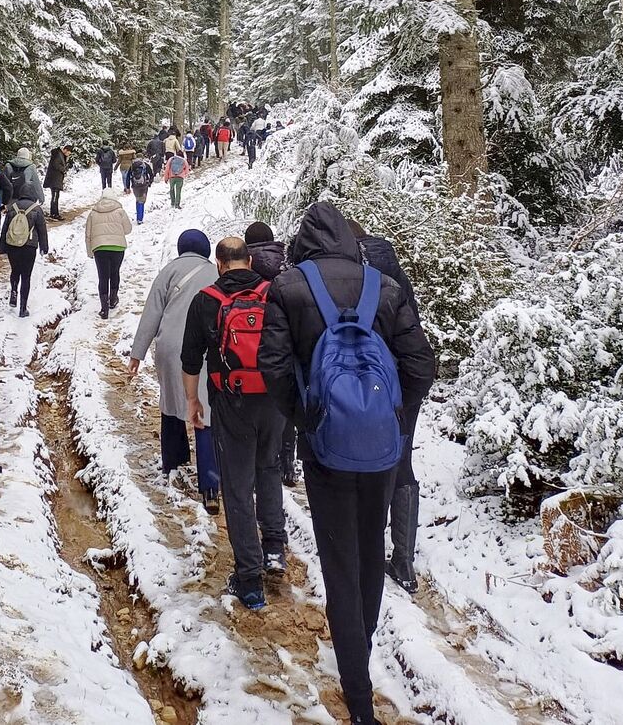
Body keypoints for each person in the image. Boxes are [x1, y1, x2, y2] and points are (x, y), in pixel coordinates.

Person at [258, 202, 435, 725]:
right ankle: (364, 640)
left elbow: (272, 366)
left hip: (325, 446)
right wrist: (395, 422)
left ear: (304, 244)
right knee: (369, 546)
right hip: (380, 447)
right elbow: (421, 364)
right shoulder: (385, 286)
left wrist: (305, 419)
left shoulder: (288, 289)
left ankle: (357, 694)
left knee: (338, 559)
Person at [181, 237, 287, 610]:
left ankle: (250, 580)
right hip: (274, 400)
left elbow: (190, 359)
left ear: (219, 263)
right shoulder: (273, 293)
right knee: (270, 468)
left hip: (231, 401)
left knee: (238, 487)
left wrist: (193, 402)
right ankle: (275, 549)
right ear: (251, 260)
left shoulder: (207, 299)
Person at [348, 219, 424, 594]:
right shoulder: (395, 270)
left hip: (370, 383)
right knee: (403, 462)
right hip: (407, 377)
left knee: (369, 464)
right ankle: (405, 560)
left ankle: (366, 548)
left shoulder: (355, 275)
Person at [130, 230, 221, 513]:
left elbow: (151, 314)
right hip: (205, 349)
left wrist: (137, 353)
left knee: (171, 404)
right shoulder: (215, 274)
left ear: (181, 248)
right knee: (203, 410)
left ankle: (173, 462)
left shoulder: (168, 272)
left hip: (170, 348)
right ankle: (210, 486)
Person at [244, 221, 295, 486]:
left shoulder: (246, 262)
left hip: (254, 340)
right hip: (285, 340)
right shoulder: (287, 261)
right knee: (285, 405)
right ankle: (288, 464)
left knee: (257, 407)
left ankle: (256, 466)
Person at [0, 182, 49, 318]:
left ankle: (14, 291)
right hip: (29, 246)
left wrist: (2, 247)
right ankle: (23, 308)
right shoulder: (37, 209)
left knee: (15, 271)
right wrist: (44, 247)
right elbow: (42, 230)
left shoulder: (12, 207)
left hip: (12, 245)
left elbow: (5, 228)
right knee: (26, 276)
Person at [85, 188, 131, 319]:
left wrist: (90, 251)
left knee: (103, 277)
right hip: (118, 247)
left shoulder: (93, 213)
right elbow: (128, 229)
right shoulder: (120, 211)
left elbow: (88, 234)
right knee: (115, 272)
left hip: (100, 248)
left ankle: (104, 309)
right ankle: (113, 299)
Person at [43, 144, 72, 221]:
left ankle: (55, 213)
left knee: (55, 196)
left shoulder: (60, 155)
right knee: (55, 197)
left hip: (56, 179)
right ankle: (54, 213)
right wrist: (63, 169)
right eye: (68, 153)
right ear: (65, 150)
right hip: (54, 179)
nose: (68, 154)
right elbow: (56, 165)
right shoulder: (58, 155)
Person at [130, 153, 154, 225]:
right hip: (144, 185)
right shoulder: (145, 165)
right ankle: (140, 218)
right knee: (142, 201)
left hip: (135, 186)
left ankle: (138, 216)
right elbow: (151, 174)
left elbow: (129, 176)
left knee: (138, 199)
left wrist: (128, 186)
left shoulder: (132, 165)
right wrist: (150, 182)